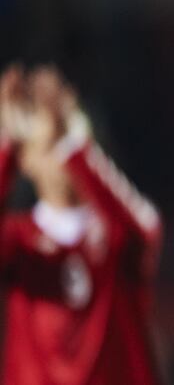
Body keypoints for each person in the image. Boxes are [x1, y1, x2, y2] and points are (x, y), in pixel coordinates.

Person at [0, 64, 162, 385]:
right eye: (46, 145)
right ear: (26, 161)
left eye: (64, 138)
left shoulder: (115, 232)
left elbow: (147, 230)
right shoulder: (17, 237)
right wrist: (7, 145)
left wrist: (73, 144)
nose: (58, 156)